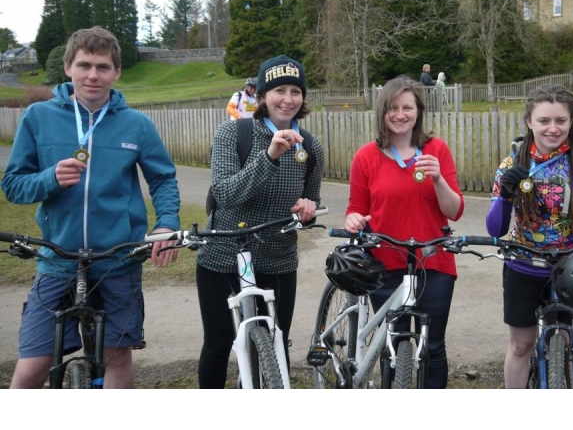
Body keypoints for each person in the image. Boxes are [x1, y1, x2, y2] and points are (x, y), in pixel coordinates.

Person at [1, 26, 180, 389]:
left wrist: (167, 224)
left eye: (102, 66)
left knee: (116, 357)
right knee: (33, 366)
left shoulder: (137, 125)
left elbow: (162, 179)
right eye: (84, 65)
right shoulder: (38, 117)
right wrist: (49, 178)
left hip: (117, 261)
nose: (93, 75)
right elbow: (13, 186)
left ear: (117, 72)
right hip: (57, 259)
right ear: (68, 68)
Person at [196, 55, 323, 389]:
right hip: (222, 257)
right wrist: (269, 157)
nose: (288, 98)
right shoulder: (233, 133)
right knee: (219, 344)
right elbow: (224, 193)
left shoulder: (310, 147)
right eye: (278, 89)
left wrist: (308, 210)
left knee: (274, 343)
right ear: (263, 96)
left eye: (295, 91)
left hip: (278, 260)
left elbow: (311, 203)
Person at [485, 85, 573, 389]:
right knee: (521, 345)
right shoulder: (512, 164)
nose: (553, 128)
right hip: (523, 266)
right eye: (544, 120)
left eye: (561, 120)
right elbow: (495, 229)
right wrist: (506, 196)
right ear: (529, 122)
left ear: (572, 121)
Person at [344, 75, 464, 388]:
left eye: (407, 107)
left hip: (433, 262)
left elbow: (455, 210)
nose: (400, 114)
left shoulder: (436, 150)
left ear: (418, 111)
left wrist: (439, 179)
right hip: (385, 263)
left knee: (433, 345)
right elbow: (355, 208)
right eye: (392, 108)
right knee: (393, 344)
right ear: (382, 112)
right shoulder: (366, 157)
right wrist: (354, 220)